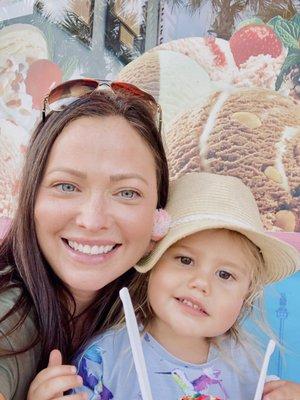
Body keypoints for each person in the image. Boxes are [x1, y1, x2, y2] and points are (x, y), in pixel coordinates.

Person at [0, 79, 169, 400]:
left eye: (127, 193)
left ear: (159, 218)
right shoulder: (9, 317)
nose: (92, 221)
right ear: (31, 199)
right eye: (66, 186)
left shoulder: (167, 311)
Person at [72, 172, 300, 400]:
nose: (201, 284)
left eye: (225, 274)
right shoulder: (103, 360)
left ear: (246, 294)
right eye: (185, 260)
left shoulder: (248, 367)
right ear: (153, 263)